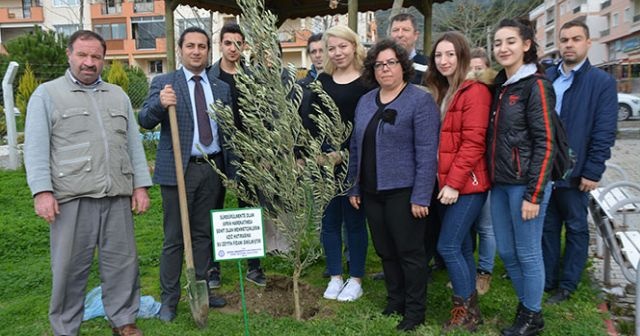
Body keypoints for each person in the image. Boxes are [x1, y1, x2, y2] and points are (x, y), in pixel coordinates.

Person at [24, 30, 151, 336]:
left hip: (116, 197)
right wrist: (42, 192)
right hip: (71, 199)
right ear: (69, 55)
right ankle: (66, 327)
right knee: (69, 269)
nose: (89, 62)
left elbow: (133, 145)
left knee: (122, 265)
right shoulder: (47, 95)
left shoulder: (118, 96)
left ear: (104, 60)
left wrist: (141, 186)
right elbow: (36, 147)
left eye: (96, 56)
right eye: (82, 55)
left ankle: (123, 320)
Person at [138, 26, 229, 322]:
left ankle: (200, 289)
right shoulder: (166, 82)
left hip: (212, 168)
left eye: (202, 46)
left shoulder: (219, 87)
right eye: (190, 45)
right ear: (180, 49)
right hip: (179, 169)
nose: (196, 51)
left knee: (203, 235)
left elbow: (226, 132)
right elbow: (145, 120)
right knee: (175, 238)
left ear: (207, 50)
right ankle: (169, 300)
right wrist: (160, 104)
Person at [348, 38, 440, 332]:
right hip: (372, 191)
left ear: (403, 66)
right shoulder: (365, 101)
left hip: (405, 191)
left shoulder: (419, 100)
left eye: (391, 63)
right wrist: (354, 186)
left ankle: (415, 312)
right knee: (385, 250)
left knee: (410, 253)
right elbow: (355, 148)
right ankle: (395, 300)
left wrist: (422, 196)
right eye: (379, 64)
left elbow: (427, 152)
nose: (385, 69)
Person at [487, 18, 557, 336]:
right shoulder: (501, 86)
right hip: (500, 183)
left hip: (525, 185)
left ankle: (531, 317)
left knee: (528, 252)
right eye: (498, 42)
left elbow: (546, 142)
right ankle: (528, 305)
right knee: (507, 251)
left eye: (510, 41)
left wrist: (535, 193)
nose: (503, 48)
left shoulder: (536, 85)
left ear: (526, 45)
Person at [542, 20, 618, 304]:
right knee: (547, 226)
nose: (569, 44)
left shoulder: (601, 83)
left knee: (575, 227)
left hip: (577, 170)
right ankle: (548, 280)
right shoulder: (547, 77)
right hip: (546, 168)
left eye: (576, 39)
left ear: (588, 43)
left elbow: (604, 130)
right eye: (564, 40)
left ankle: (568, 284)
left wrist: (593, 169)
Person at [424, 31, 491, 332]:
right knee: (461, 247)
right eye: (439, 55)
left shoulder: (474, 91)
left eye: (450, 54)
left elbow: (473, 142)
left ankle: (463, 309)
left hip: (466, 184)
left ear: (462, 56)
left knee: (448, 245)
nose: (444, 60)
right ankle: (471, 312)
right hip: (447, 184)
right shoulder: (444, 90)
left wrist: (452, 183)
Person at [206, 22, 267, 288]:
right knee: (213, 208)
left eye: (238, 43)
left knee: (249, 208)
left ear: (244, 46)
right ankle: (212, 269)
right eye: (228, 43)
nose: (233, 48)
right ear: (220, 45)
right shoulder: (208, 77)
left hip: (248, 152)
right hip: (218, 152)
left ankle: (254, 267)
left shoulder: (252, 77)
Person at [312, 25, 370, 303]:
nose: (337, 53)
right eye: (331, 48)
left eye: (342, 46)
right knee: (329, 221)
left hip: (355, 163)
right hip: (325, 164)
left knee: (355, 221)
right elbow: (310, 122)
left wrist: (344, 153)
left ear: (354, 45)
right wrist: (315, 154)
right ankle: (335, 275)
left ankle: (356, 278)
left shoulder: (367, 82)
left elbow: (367, 125)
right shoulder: (322, 82)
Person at [469, 47, 498, 295]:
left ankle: (484, 272)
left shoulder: (495, 92)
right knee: (467, 226)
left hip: (488, 167)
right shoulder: (463, 91)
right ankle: (468, 271)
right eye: (471, 67)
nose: (476, 71)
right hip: (469, 169)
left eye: (480, 66)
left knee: (486, 226)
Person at [389, 13, 428, 84]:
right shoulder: (380, 66)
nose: (400, 35)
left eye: (405, 30)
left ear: (416, 35)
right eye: (395, 30)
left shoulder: (427, 67)